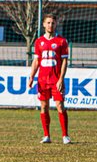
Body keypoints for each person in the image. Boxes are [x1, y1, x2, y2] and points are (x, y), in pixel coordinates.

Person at [30, 15, 70, 144]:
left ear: (56, 24)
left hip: (56, 80)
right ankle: (46, 135)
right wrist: (31, 76)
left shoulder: (62, 41)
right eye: (48, 23)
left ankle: (65, 136)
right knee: (44, 106)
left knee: (60, 106)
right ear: (43, 24)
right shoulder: (38, 42)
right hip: (42, 80)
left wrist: (61, 78)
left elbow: (64, 61)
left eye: (53, 23)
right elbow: (36, 61)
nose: (50, 25)